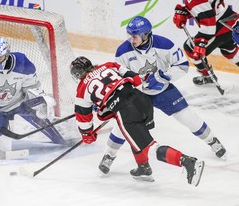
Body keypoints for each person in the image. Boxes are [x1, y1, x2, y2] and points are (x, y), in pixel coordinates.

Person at [98, 16, 226, 176]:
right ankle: (109, 155)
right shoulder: (122, 51)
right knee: (123, 125)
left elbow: (182, 65)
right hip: (137, 94)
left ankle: (213, 141)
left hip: (164, 91)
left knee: (189, 118)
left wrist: (163, 77)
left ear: (145, 35)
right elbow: (119, 75)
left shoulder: (164, 45)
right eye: (129, 35)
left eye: (135, 36)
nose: (131, 39)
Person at [70, 56, 205, 186]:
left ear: (77, 74)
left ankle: (187, 162)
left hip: (127, 111)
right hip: (143, 100)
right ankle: (143, 169)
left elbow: (83, 119)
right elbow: (134, 78)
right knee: (136, 136)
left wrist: (88, 135)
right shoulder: (108, 66)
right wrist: (114, 103)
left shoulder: (82, 89)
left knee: (149, 147)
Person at [0, 37, 66, 156]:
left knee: (40, 120)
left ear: (7, 54)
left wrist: (40, 104)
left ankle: (61, 140)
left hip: (19, 103)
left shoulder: (22, 63)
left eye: (1, 56)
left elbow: (33, 87)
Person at [173, 0, 239, 85]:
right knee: (230, 51)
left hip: (218, 29)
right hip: (230, 22)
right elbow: (207, 7)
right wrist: (186, 12)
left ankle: (208, 76)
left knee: (190, 48)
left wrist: (200, 42)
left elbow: (209, 24)